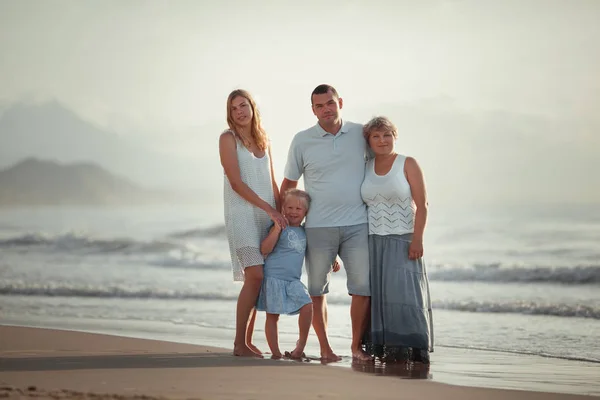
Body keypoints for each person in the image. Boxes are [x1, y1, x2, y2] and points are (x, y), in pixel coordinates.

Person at [280, 84, 372, 361]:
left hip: (358, 225)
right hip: (318, 227)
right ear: (313, 110)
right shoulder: (302, 140)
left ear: (340, 102)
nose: (326, 110)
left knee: (362, 289)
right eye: (319, 106)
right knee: (316, 290)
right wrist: (282, 222)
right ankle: (325, 349)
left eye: (330, 103)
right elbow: (289, 183)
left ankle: (357, 348)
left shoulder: (360, 133)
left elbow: (383, 161)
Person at [360, 116, 434, 364]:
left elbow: (422, 205)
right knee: (380, 296)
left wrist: (417, 239)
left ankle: (412, 348)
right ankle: (385, 348)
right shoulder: (365, 166)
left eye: (387, 135)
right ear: (369, 141)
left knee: (405, 296)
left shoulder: (407, 163)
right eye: (376, 136)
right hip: (373, 241)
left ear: (395, 136)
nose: (382, 140)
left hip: (403, 239)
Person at [219, 89, 287, 357]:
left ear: (252, 107)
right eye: (234, 108)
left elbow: (271, 181)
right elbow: (236, 183)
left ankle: (246, 342)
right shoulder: (228, 139)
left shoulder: (264, 139)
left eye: (243, 106)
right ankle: (239, 343)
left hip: (266, 216)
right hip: (242, 216)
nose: (240, 112)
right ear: (230, 113)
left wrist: (281, 216)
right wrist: (270, 209)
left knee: (258, 279)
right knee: (255, 275)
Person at [256, 189, 342, 359]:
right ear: (282, 209)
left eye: (298, 209)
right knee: (273, 316)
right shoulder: (278, 227)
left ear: (306, 213)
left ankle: (299, 347)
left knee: (308, 306)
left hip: (293, 281)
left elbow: (317, 250)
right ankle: (275, 352)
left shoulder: (305, 231)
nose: (293, 212)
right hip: (273, 278)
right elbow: (264, 249)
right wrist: (276, 230)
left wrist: (332, 260)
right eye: (289, 207)